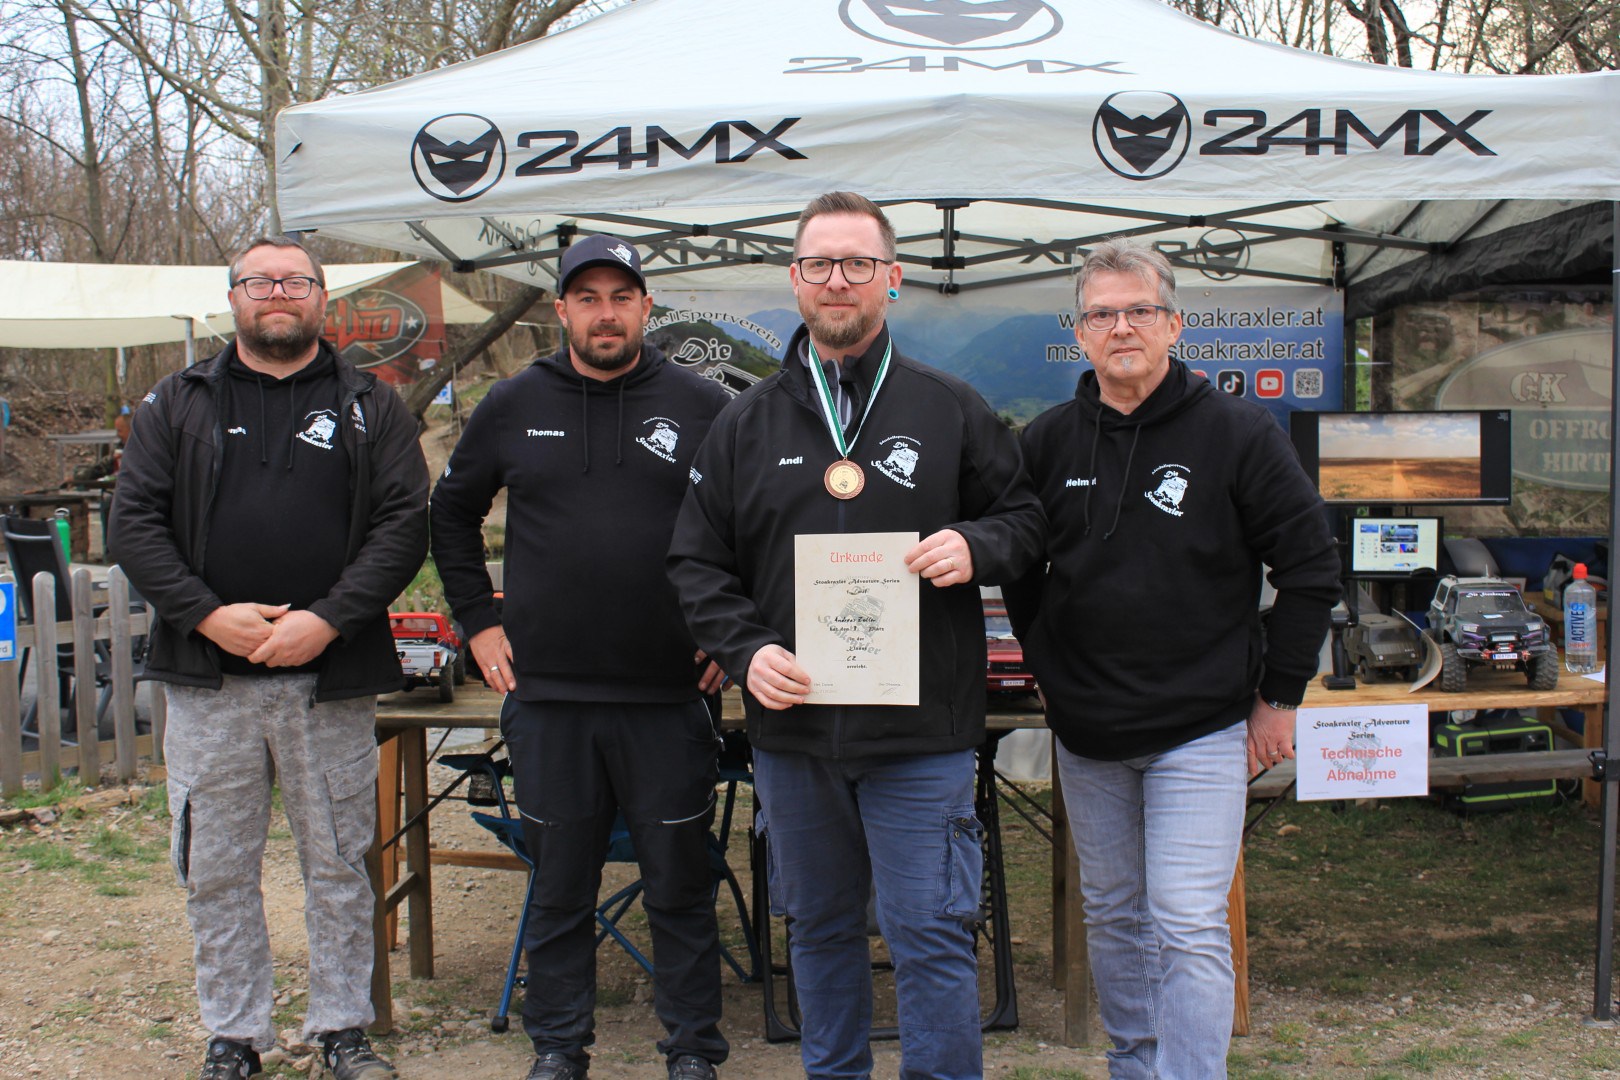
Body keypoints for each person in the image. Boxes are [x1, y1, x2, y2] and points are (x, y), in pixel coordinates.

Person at [667, 191, 1045, 1080]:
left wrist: (977, 545)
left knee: (932, 935)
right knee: (820, 931)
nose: (838, 280)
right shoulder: (744, 422)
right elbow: (696, 562)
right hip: (796, 735)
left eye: (858, 263)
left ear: (893, 277)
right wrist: (746, 650)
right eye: (820, 264)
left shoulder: (950, 407)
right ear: (795, 280)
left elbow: (1026, 521)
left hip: (922, 737)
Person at [1004, 239, 1340, 1079]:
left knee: (1187, 919)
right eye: (1102, 314)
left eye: (1140, 310)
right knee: (1114, 914)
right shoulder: (1046, 443)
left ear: (1174, 324)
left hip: (1201, 727)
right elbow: (1017, 564)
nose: (1122, 327)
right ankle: (1135, 1063)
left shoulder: (1238, 433)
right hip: (1089, 733)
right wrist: (1049, 664)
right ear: (1079, 333)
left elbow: (1310, 568)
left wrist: (1280, 697)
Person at [109, 236, 428, 1080]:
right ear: (234, 299)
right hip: (210, 681)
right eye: (260, 281)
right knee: (215, 870)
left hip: (331, 679)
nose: (277, 293)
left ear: (322, 298)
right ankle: (236, 1035)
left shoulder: (372, 405)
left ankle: (342, 1029)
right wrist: (207, 616)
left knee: (338, 864)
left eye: (295, 281)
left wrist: (327, 620)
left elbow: (404, 525)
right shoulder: (177, 403)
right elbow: (132, 523)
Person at [430, 234, 732, 1080]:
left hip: (669, 697)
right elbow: (450, 513)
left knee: (679, 886)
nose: (606, 313)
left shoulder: (704, 405)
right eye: (588, 298)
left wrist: (730, 630)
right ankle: (560, 1048)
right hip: (550, 698)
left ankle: (693, 1050)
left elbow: (753, 521)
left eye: (622, 297)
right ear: (561, 309)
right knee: (560, 887)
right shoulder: (512, 403)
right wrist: (477, 621)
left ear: (646, 307)